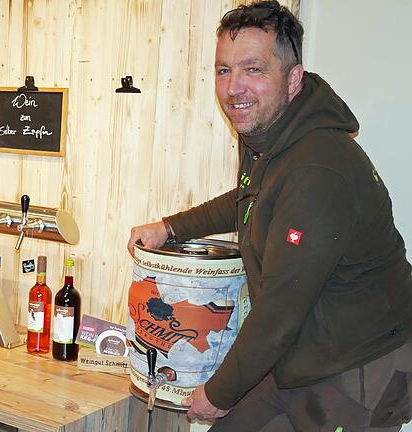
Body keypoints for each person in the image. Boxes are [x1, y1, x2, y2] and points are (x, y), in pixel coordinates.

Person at [127, 1, 412, 431]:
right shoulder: (269, 134)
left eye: (253, 70)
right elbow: (248, 198)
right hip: (298, 349)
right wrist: (170, 227)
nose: (234, 88)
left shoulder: (317, 170)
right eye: (223, 70)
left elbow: (280, 307)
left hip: (360, 361)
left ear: (292, 78)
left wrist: (220, 392)